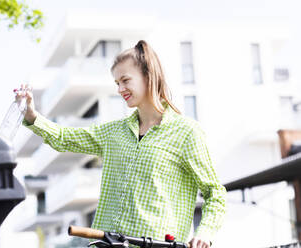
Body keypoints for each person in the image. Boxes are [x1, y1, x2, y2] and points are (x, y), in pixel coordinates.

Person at [18, 40, 226, 248]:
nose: (120, 89)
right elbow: (64, 137)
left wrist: (205, 232)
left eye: (125, 80)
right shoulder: (114, 133)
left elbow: (215, 193)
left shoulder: (187, 132)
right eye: (117, 83)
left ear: (148, 76)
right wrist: (32, 115)